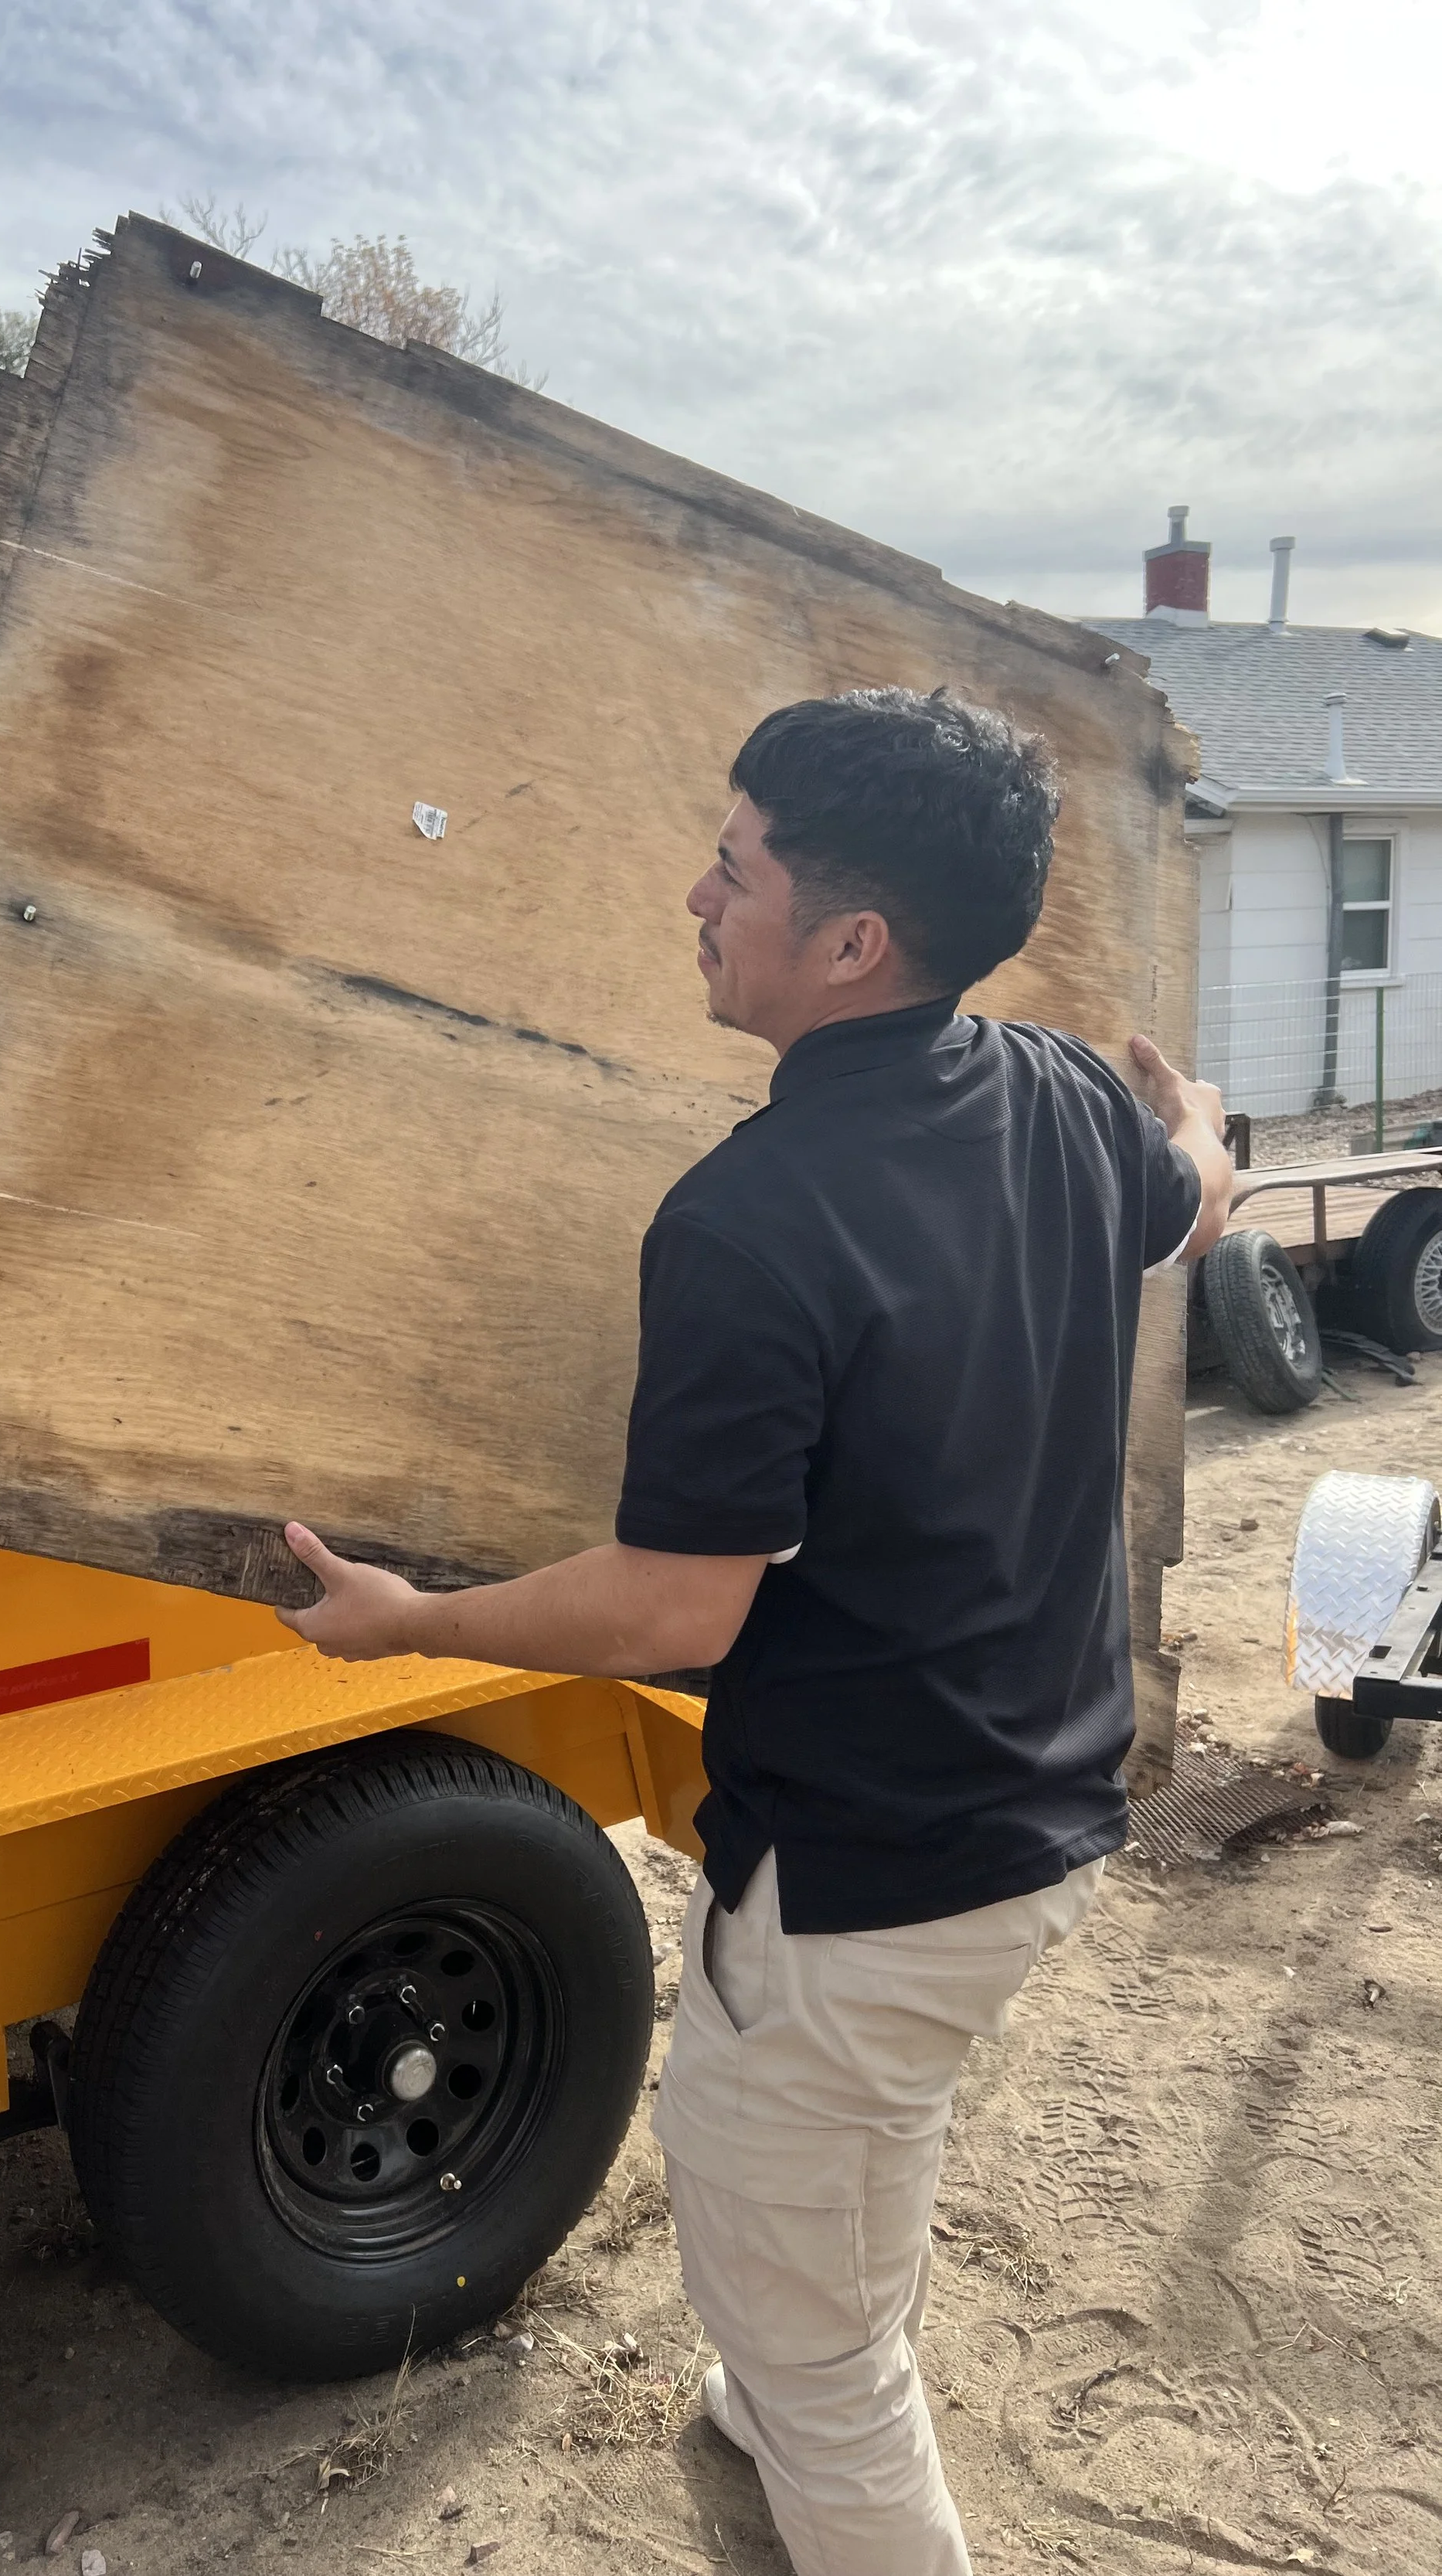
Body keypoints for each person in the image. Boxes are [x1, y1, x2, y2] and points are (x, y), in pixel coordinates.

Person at [274, 686, 1233, 2574]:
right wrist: (1197, 1125)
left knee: (806, 2305)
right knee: (843, 2164)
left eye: (731, 872)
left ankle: (803, 2404)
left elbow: (675, 1599)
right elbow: (1179, 1210)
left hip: (867, 1877)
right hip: (1030, 1816)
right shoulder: (1051, 1093)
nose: (691, 900)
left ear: (850, 940)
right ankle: (787, 2375)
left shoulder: (752, 1219)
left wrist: (409, 1623)